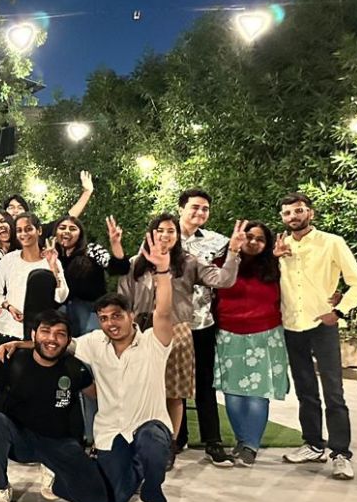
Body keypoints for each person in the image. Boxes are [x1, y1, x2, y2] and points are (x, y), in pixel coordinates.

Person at [0, 232, 181, 502]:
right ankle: (137, 471)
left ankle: (153, 497)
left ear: (131, 315)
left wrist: (163, 272)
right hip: (111, 433)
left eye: (116, 316)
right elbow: (55, 344)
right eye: (103, 318)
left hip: (147, 426)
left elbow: (164, 313)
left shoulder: (153, 343)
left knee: (153, 440)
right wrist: (19, 344)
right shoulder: (94, 343)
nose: (110, 323)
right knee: (109, 501)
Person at [119, 214, 244, 468]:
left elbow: (223, 280)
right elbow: (124, 297)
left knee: (173, 394)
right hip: (140, 332)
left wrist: (232, 252)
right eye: (160, 230)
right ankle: (137, 442)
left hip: (177, 331)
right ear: (150, 233)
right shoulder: (136, 264)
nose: (165, 236)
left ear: (178, 236)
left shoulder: (189, 262)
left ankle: (170, 445)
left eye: (171, 231)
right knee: (139, 389)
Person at [0, 308, 91, 502]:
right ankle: (0, 486)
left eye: (60, 334)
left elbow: (100, 395)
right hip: (20, 442)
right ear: (33, 335)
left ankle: (52, 467)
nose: (52, 339)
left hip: (56, 443)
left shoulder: (75, 368)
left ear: (68, 340)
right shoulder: (11, 359)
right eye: (45, 331)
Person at [273, 192, 357, 480]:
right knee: (305, 391)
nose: (293, 216)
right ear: (282, 218)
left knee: (334, 392)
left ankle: (340, 454)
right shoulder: (280, 247)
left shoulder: (332, 242)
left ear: (310, 213)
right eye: (287, 213)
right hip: (292, 326)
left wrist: (338, 311)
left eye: (298, 210)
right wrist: (274, 260)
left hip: (322, 326)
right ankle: (313, 444)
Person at [212, 221, 290, 467]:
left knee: (258, 394)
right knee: (233, 394)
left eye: (260, 239)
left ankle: (251, 446)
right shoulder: (222, 263)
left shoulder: (276, 267)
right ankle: (242, 440)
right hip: (228, 334)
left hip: (265, 336)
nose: (254, 242)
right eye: (249, 237)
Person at [174, 188, 231, 464]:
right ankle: (177, 437)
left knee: (205, 382)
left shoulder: (216, 241)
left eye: (205, 208)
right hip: (171, 322)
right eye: (194, 207)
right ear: (181, 208)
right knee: (174, 383)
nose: (200, 212)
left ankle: (213, 441)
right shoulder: (163, 236)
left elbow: (238, 261)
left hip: (202, 320)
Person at [0, 214, 69, 341]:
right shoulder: (8, 259)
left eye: (28, 229)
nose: (24, 234)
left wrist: (53, 266)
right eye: (19, 230)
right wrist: (9, 307)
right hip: (7, 329)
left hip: (38, 332)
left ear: (39, 230)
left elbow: (61, 296)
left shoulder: (52, 261)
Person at [54, 215, 130, 336]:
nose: (67, 231)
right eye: (62, 228)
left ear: (80, 234)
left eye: (73, 228)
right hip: (61, 313)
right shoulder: (49, 255)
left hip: (91, 313)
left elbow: (120, 268)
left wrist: (115, 243)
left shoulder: (92, 250)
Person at [2, 170, 95, 236]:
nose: (15, 211)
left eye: (20, 208)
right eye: (11, 207)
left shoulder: (38, 233)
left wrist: (87, 192)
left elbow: (66, 218)